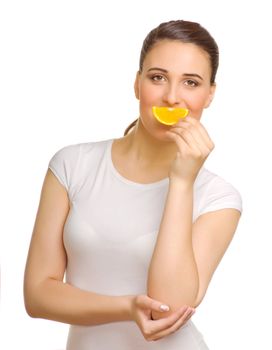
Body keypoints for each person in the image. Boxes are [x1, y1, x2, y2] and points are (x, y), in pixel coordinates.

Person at [24, 19, 242, 349]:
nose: (171, 97)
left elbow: (167, 308)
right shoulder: (72, 165)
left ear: (210, 94)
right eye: (158, 78)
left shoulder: (219, 198)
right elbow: (37, 294)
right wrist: (126, 307)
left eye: (191, 83)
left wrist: (182, 182)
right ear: (137, 84)